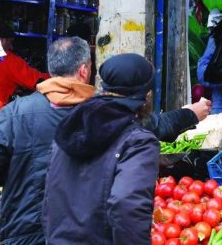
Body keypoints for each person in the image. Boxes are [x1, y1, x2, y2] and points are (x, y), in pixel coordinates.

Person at [0, 37, 210, 245]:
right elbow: (126, 204)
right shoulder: (99, 116)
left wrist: (19, 174)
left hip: (26, 228)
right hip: (80, 230)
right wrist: (190, 113)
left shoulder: (16, 112)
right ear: (84, 71)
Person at [42, 53, 158, 243]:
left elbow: (49, 191)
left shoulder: (70, 126)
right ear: (147, 95)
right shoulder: (138, 141)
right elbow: (127, 206)